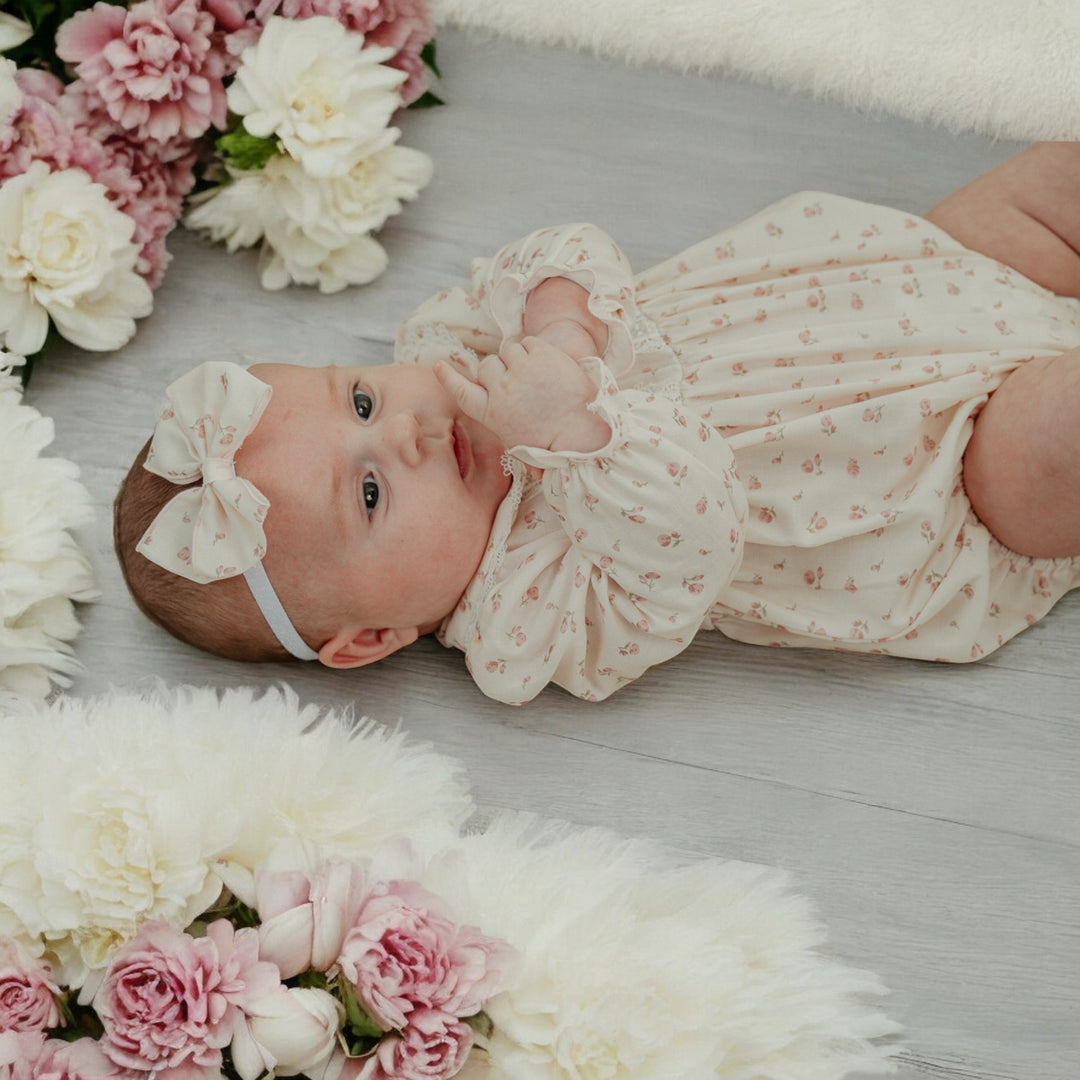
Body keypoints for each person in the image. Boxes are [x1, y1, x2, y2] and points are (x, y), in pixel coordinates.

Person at [115, 143, 1080, 704]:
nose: (401, 434)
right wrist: (573, 428)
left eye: (360, 401)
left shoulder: (449, 349)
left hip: (914, 285)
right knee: (1054, 432)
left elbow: (562, 248)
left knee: (1043, 184)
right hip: (940, 481)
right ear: (372, 637)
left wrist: (561, 322)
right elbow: (695, 535)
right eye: (369, 493)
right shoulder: (520, 617)